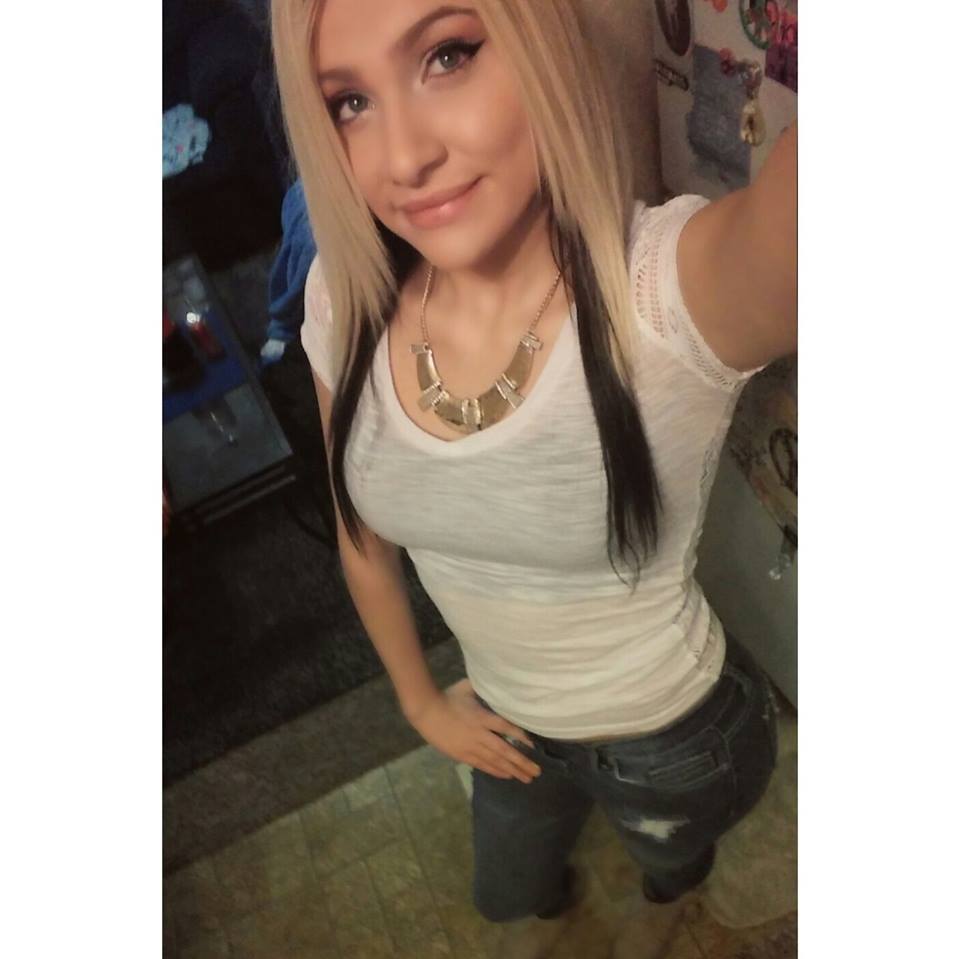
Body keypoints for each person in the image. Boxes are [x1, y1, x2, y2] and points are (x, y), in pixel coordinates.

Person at [270, 0, 797, 933]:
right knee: (511, 900)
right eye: (349, 102)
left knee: (672, 880)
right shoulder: (342, 300)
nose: (403, 157)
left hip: (675, 740)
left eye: (447, 55)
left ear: (544, 44)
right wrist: (419, 700)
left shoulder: (665, 296)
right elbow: (361, 534)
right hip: (504, 721)